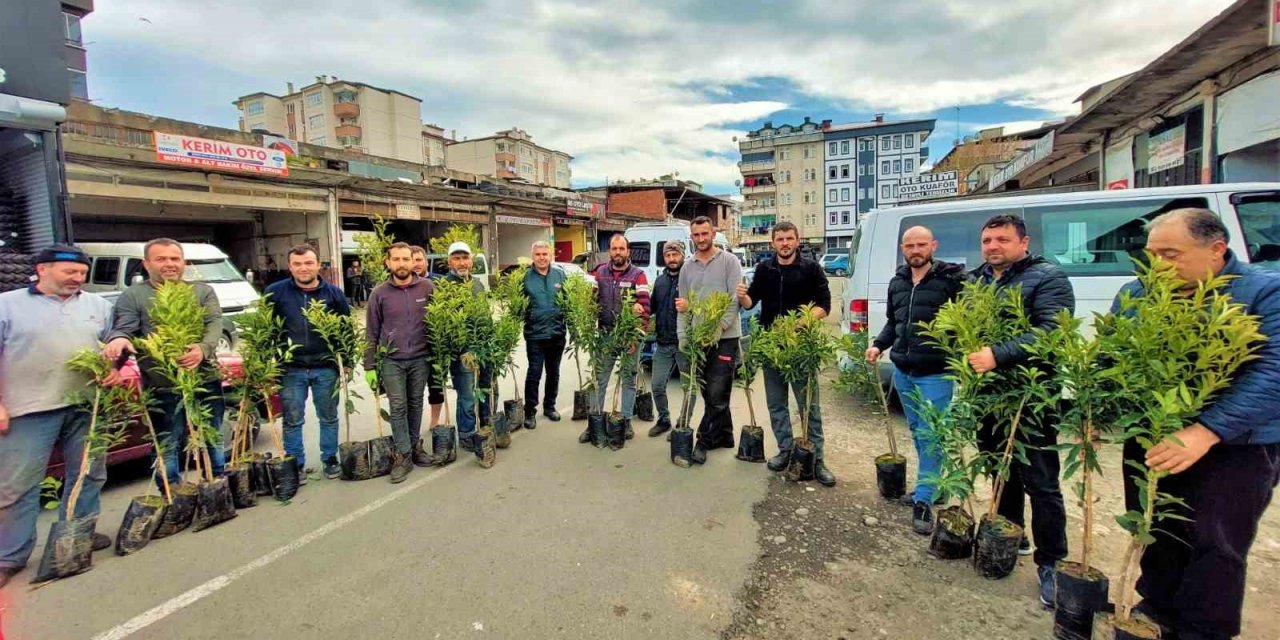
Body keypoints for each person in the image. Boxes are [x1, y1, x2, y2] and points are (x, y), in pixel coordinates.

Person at [1115, 208, 1280, 640]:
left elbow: (1273, 372)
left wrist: (1206, 430)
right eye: (1152, 255)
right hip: (1153, 435)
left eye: (1170, 254)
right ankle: (1156, 612)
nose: (1158, 266)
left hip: (1232, 446)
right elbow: (1115, 355)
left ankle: (1201, 631)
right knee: (1157, 530)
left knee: (1215, 547)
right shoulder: (1138, 293)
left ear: (1216, 249)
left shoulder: (1265, 293)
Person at [965, 213, 1073, 606]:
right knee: (999, 471)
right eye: (987, 240)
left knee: (1041, 482)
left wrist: (998, 354)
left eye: (1002, 240)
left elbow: (1053, 330)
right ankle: (1013, 537)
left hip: (1030, 395)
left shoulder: (1047, 278)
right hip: (989, 396)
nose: (993, 246)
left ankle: (1052, 562)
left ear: (1023, 243)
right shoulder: (977, 281)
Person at [0, 246, 117, 588]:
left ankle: (78, 531)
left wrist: (114, 368)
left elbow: (116, 342)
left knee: (88, 474)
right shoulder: (7, 304)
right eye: (70, 272)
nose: (77, 279)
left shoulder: (99, 306)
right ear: (42, 269)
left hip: (87, 405)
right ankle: (10, 555)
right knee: (18, 485)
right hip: (28, 409)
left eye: (82, 273)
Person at [103, 238, 226, 489]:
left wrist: (203, 349)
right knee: (167, 443)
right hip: (162, 385)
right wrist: (118, 343)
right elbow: (124, 329)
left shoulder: (202, 291)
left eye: (174, 258)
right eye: (161, 259)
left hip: (204, 379)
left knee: (213, 436)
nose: (169, 264)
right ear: (146, 264)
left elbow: (214, 324)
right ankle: (172, 494)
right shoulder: (134, 295)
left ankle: (218, 485)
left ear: (183, 262)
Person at [866, 226, 964, 533]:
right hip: (904, 371)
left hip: (935, 373)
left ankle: (923, 499)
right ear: (902, 248)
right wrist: (878, 345)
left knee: (930, 434)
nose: (916, 250)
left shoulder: (951, 281)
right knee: (917, 430)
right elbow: (894, 322)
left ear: (933, 245)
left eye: (921, 244)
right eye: (910, 245)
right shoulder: (898, 282)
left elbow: (964, 324)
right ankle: (934, 486)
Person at [737, 221, 834, 486]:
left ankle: (818, 459)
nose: (785, 243)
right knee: (776, 404)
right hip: (772, 349)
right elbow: (750, 303)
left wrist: (797, 324)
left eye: (789, 238)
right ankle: (786, 450)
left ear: (797, 240)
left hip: (801, 348)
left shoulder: (811, 269)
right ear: (772, 243)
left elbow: (824, 306)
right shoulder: (765, 269)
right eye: (779, 239)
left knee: (808, 406)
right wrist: (742, 295)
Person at [265, 244, 351, 481]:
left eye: (308, 263)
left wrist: (347, 362)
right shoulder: (275, 293)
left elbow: (345, 330)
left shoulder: (334, 294)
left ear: (318, 264)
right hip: (291, 369)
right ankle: (296, 464)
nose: (303, 268)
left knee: (329, 416)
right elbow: (266, 330)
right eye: (298, 264)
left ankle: (330, 459)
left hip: (326, 367)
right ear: (290, 266)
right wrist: (265, 365)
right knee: (293, 419)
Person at [364, 243, 434, 483]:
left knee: (415, 403)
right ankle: (403, 455)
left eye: (406, 259)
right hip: (392, 360)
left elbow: (436, 324)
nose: (402, 264)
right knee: (398, 406)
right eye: (397, 259)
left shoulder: (427, 287)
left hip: (420, 358)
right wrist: (369, 366)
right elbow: (372, 332)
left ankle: (415, 447)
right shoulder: (379, 293)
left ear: (412, 262)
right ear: (388, 262)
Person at [676, 217, 742, 464]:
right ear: (691, 237)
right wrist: (684, 335)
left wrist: (720, 327)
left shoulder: (729, 261)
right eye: (696, 235)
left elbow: (734, 300)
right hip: (698, 338)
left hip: (725, 338)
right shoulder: (687, 267)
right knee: (709, 392)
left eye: (705, 234)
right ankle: (725, 436)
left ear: (713, 234)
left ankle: (703, 442)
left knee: (717, 393)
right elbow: (682, 305)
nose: (701, 239)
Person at [581, 234, 650, 443]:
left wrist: (635, 337)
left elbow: (645, 308)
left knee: (628, 380)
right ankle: (593, 423)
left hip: (629, 337)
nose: (617, 252)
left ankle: (626, 421)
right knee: (599, 381)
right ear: (609, 251)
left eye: (621, 249)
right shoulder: (599, 272)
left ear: (628, 251)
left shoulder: (639, 275)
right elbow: (590, 302)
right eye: (614, 248)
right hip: (605, 335)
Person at [442, 242, 493, 449]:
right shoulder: (445, 286)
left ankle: (484, 426)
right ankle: (466, 433)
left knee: (484, 389)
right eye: (457, 258)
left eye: (465, 258)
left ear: (471, 261)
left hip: (484, 348)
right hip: (462, 353)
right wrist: (462, 350)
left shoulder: (477, 284)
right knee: (467, 395)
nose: (462, 262)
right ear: (449, 262)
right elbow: (446, 323)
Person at [648, 239, 693, 437]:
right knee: (657, 385)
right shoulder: (660, 281)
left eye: (675, 255)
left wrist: (690, 305)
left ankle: (683, 424)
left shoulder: (691, 279)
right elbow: (652, 308)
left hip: (685, 344)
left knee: (688, 386)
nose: (672, 259)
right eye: (668, 255)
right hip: (663, 343)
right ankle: (663, 419)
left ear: (683, 255)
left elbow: (701, 307)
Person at [522, 240, 568, 429]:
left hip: (557, 334)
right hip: (535, 335)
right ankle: (530, 411)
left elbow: (568, 304)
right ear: (533, 256)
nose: (542, 257)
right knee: (534, 373)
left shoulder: (560, 275)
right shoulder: (525, 278)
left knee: (553, 373)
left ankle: (550, 406)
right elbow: (519, 307)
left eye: (545, 254)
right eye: (538, 254)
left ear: (550, 256)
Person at [410, 245, 445, 430]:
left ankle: (435, 420)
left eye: (419, 260)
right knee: (413, 391)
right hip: (413, 346)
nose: (415, 264)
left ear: (425, 261)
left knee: (436, 385)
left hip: (435, 344)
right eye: (412, 260)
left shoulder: (440, 282)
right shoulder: (403, 285)